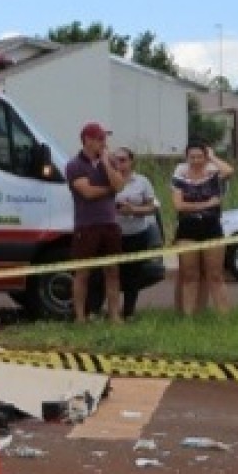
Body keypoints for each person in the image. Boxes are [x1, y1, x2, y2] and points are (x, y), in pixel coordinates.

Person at [89, 146, 160, 321]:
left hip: (135, 234)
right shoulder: (105, 179)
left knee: (132, 276)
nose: (120, 163)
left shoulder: (142, 182)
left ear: (131, 161)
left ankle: (128, 312)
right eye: (116, 160)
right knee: (102, 274)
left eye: (123, 160)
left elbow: (153, 207)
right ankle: (96, 311)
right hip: (109, 234)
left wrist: (134, 209)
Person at [64, 121, 124, 325]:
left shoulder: (111, 161)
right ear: (87, 140)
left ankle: (115, 315)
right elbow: (87, 192)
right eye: (99, 138)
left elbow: (119, 185)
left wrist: (107, 164)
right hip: (86, 225)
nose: (103, 142)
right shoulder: (74, 165)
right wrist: (109, 190)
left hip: (110, 223)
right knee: (82, 273)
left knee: (112, 271)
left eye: (104, 138)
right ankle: (80, 316)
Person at [171, 140, 236, 316]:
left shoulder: (213, 174)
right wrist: (206, 204)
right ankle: (189, 316)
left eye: (200, 156)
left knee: (215, 274)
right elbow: (179, 205)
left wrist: (213, 157)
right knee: (189, 275)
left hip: (211, 227)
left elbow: (229, 171)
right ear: (186, 157)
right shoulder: (180, 174)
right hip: (187, 228)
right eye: (192, 156)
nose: (196, 160)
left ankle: (224, 316)